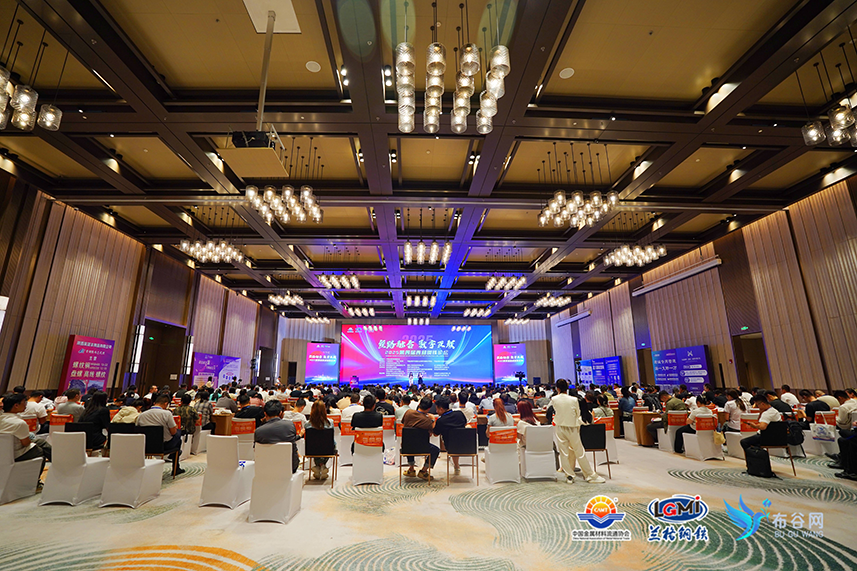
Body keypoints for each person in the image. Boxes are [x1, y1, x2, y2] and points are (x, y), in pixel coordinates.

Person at [551, 379, 605, 484]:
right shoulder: (574, 400)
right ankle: (589, 475)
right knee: (579, 452)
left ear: (557, 388)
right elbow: (578, 413)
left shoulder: (554, 399)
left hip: (559, 427)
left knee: (564, 453)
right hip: (572, 427)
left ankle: (569, 475)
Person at [0, 393, 52, 478]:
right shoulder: (19, 423)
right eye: (24, 403)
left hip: (3, 450)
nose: (26, 405)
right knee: (40, 451)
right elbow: (26, 443)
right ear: (16, 405)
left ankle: (58, 463)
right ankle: (36, 479)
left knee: (41, 442)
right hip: (15, 453)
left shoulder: (2, 418)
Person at [136, 393, 184, 475]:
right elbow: (173, 432)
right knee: (178, 434)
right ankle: (176, 466)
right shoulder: (167, 414)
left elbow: (137, 430)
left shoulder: (141, 415)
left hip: (146, 445)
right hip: (164, 445)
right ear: (166, 403)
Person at [254, 400, 299, 473]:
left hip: (265, 468)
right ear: (281, 413)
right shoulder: (290, 425)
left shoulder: (259, 431)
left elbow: (256, 450)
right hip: (290, 466)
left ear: (265, 414)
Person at [401, 397, 438, 481]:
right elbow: (431, 432)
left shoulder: (408, 412)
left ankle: (411, 469)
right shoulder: (427, 420)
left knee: (409, 440)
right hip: (422, 447)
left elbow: (403, 422)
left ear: (419, 404)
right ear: (429, 409)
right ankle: (423, 471)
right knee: (435, 450)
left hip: (406, 447)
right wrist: (433, 419)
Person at [433, 396, 467, 475]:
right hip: (466, 445)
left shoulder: (441, 421)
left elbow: (435, 434)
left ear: (441, 409)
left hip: (449, 447)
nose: (436, 411)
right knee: (456, 441)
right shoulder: (459, 414)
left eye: (437, 409)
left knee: (453, 443)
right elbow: (465, 424)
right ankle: (456, 466)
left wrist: (433, 421)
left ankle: (456, 466)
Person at [306, 400, 335, 480]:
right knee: (327, 445)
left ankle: (318, 466)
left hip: (311, 450)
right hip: (328, 449)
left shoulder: (307, 424)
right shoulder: (330, 422)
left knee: (316, 445)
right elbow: (331, 439)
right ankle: (322, 465)